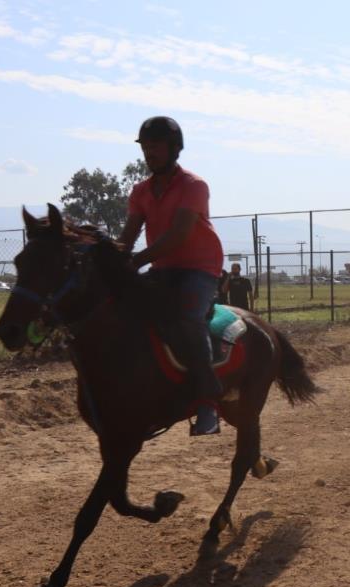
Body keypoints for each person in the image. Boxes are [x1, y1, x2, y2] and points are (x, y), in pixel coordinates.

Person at [119, 116, 224, 436]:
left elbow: (179, 234)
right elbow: (128, 235)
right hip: (163, 269)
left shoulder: (194, 186)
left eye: (156, 146)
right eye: (146, 147)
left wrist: (137, 260)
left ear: (174, 149)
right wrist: (110, 256)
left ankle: (208, 402)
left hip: (199, 269)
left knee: (188, 319)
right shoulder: (140, 191)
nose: (150, 153)